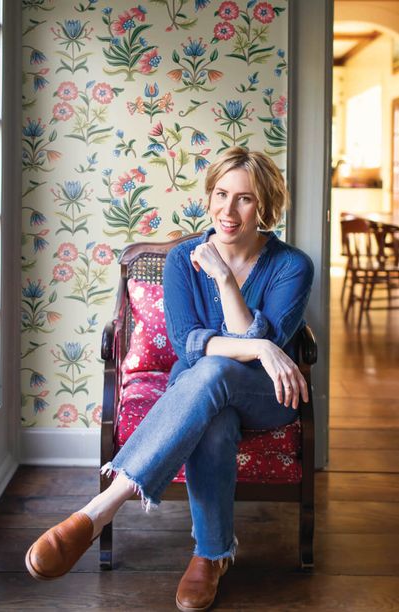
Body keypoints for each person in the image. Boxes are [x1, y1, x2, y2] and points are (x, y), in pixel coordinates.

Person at [25, 147, 314, 612]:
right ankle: (211, 555)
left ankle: (99, 510)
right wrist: (259, 344)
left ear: (264, 205)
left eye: (244, 199)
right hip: (201, 389)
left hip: (268, 393)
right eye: (221, 194)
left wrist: (224, 282)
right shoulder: (181, 259)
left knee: (217, 368)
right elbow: (186, 344)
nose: (227, 209)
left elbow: (248, 353)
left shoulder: (292, 265)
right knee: (214, 412)